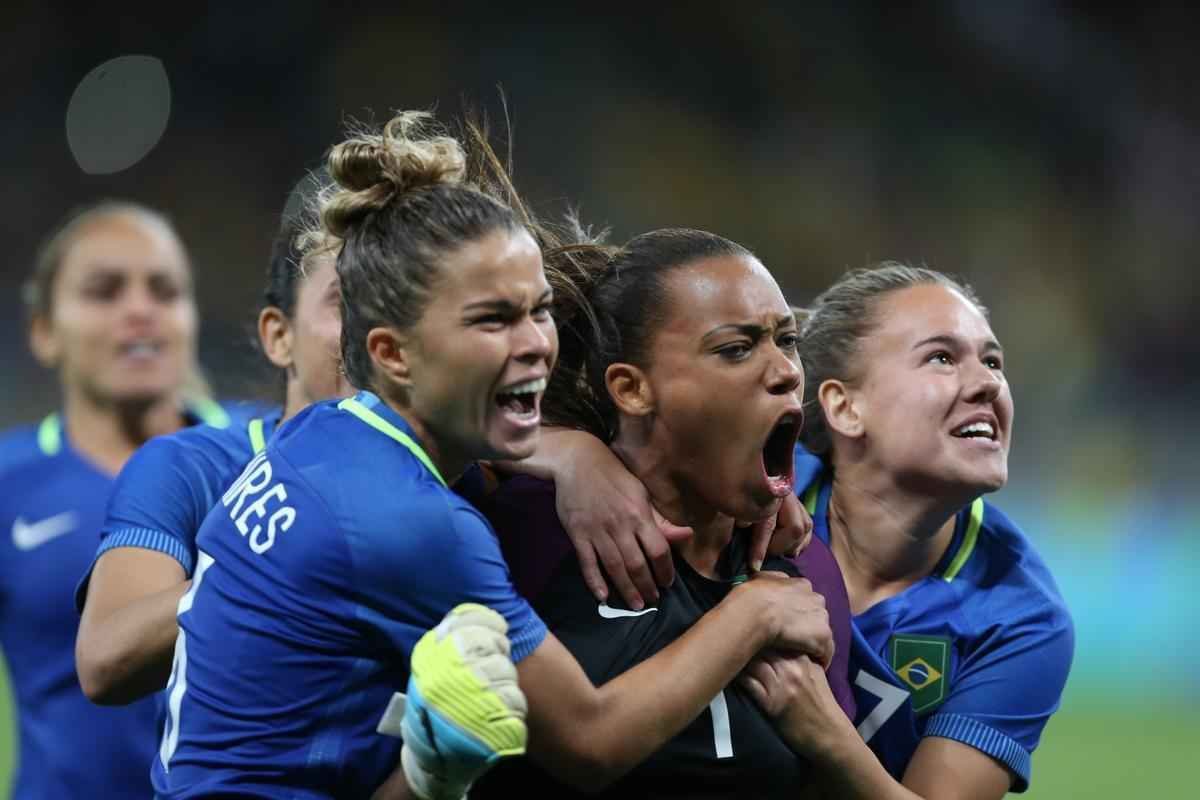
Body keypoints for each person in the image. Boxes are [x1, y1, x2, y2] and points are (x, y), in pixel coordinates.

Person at [153, 111, 833, 800]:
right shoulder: (421, 528)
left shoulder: (324, 437)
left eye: (538, 310)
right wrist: (755, 614)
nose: (537, 342)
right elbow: (592, 744)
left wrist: (566, 454)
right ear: (392, 353)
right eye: (492, 320)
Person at [546, 263, 1074, 798]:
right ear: (844, 406)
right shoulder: (750, 485)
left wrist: (824, 732)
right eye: (942, 357)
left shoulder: (1022, 618)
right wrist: (570, 454)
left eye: (992, 361)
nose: (988, 382)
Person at [467, 222, 854, 798]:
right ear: (631, 389)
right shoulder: (523, 530)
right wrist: (561, 452)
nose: (785, 372)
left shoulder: (804, 570)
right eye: (736, 349)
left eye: (788, 340)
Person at [0, 202, 242, 799]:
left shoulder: (271, 453)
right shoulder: (9, 480)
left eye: (165, 291)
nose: (140, 310)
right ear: (44, 330)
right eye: (104, 292)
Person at [74, 188, 348, 705]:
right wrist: (288, 553)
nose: (379, 328)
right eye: (349, 300)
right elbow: (105, 659)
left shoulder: (479, 473)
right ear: (279, 334)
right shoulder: (193, 466)